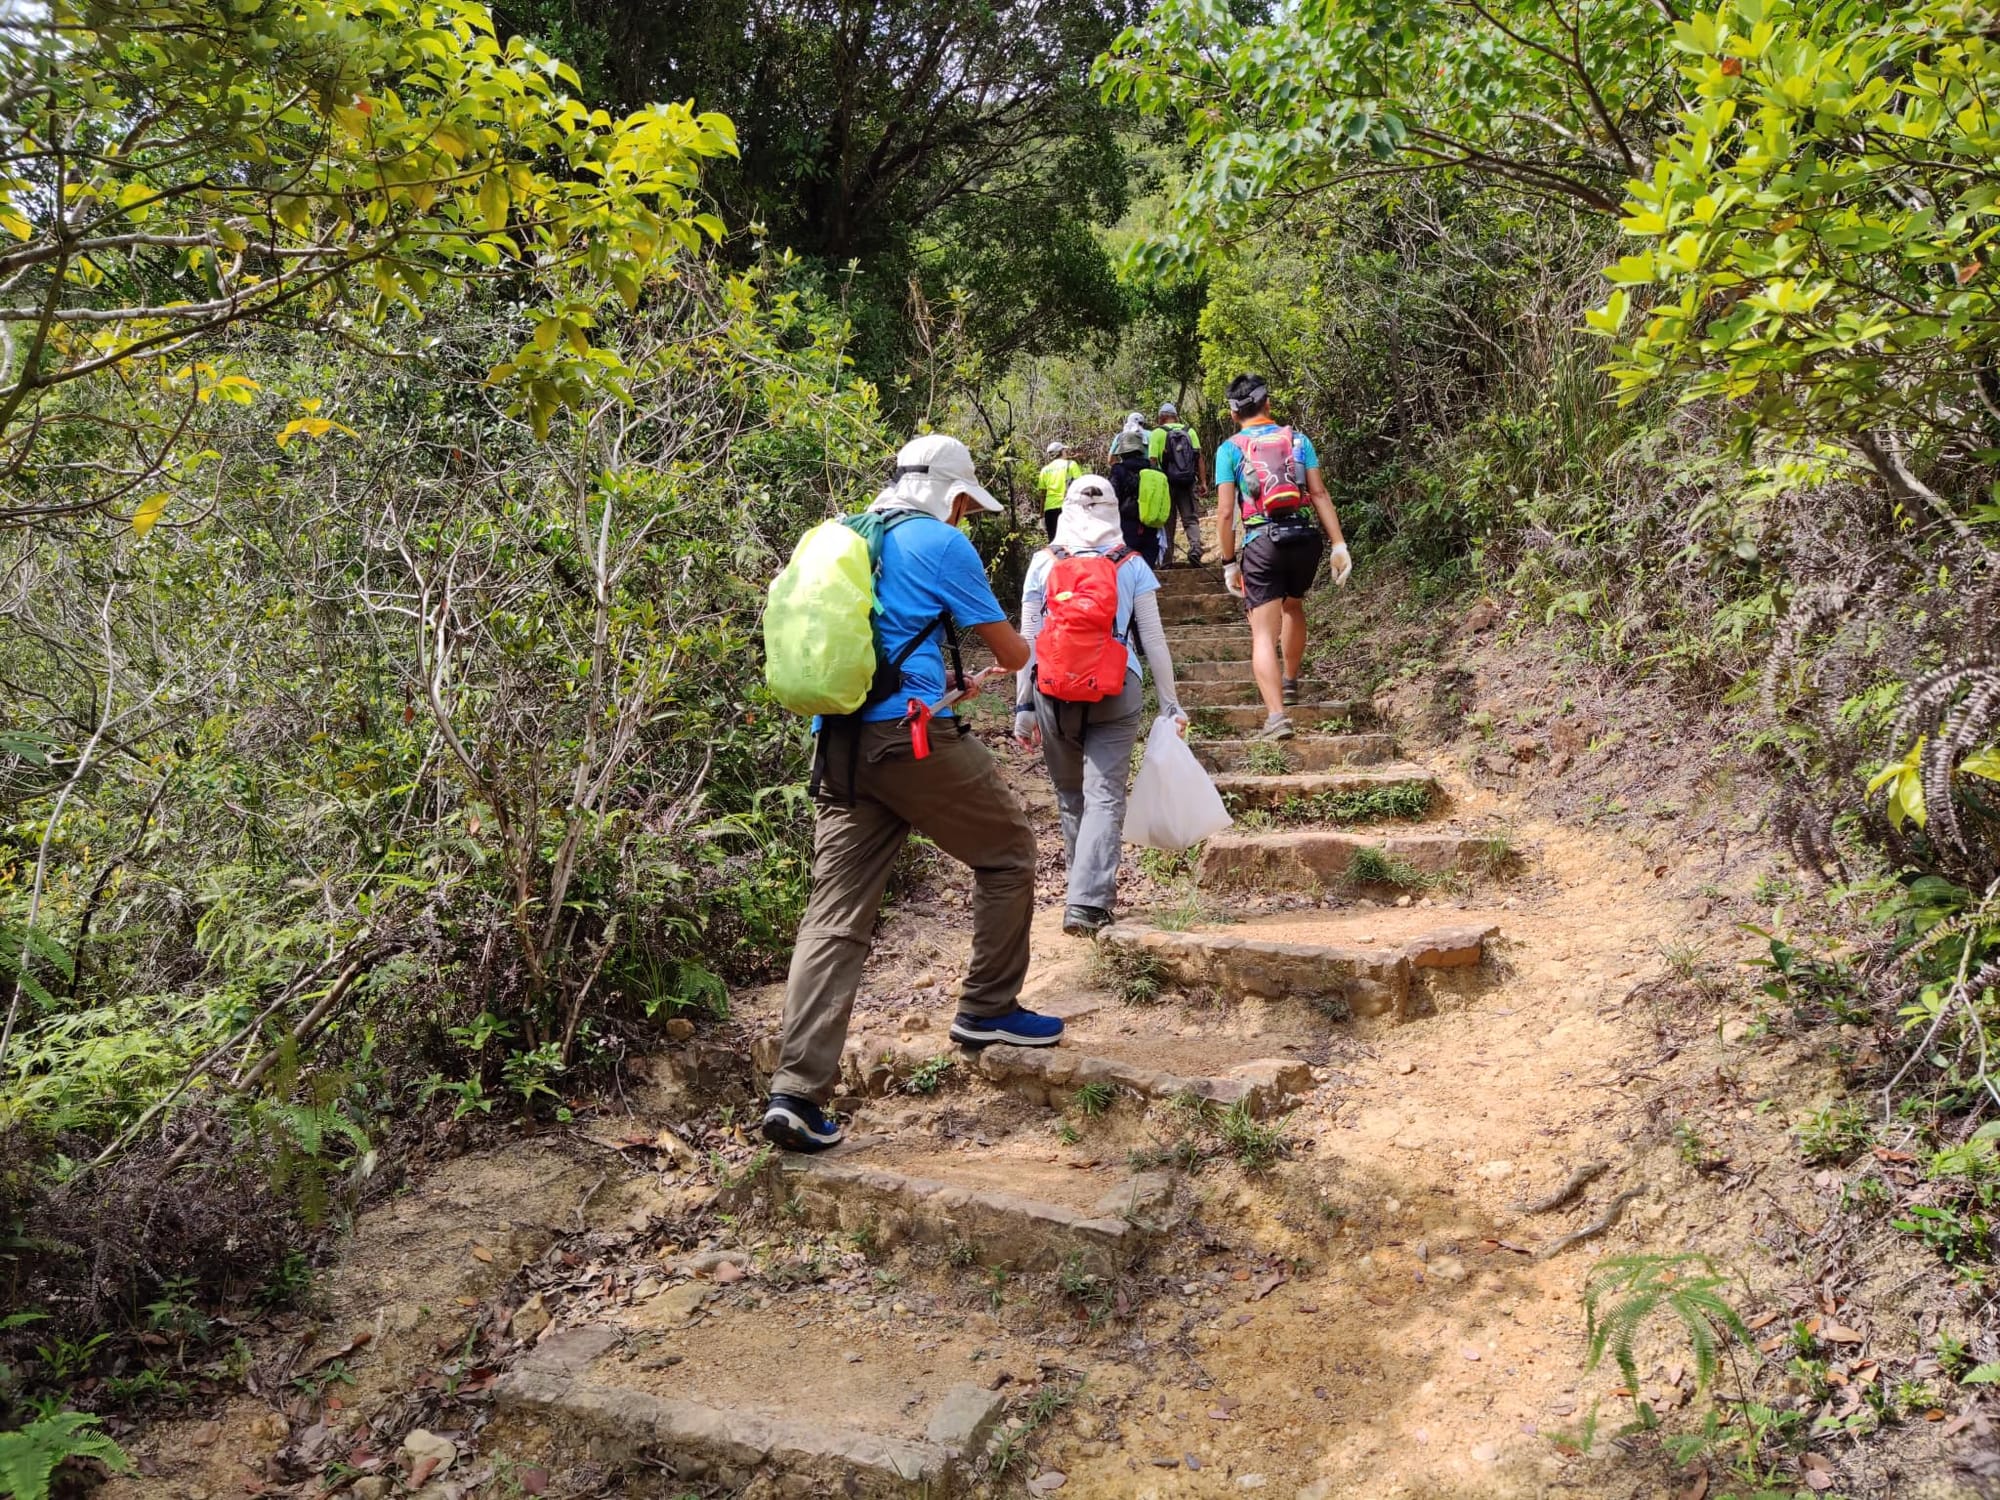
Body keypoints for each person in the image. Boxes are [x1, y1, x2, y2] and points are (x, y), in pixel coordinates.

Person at [762, 434, 1064, 1153]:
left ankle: (796, 1094)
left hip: (838, 747)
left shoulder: (842, 534)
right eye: (966, 504)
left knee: (835, 917)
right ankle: (987, 1008)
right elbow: (1015, 652)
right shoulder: (940, 543)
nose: (965, 516)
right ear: (953, 496)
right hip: (912, 742)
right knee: (1009, 852)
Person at [1014, 474, 1186, 935]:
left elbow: (1028, 639)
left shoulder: (1043, 563)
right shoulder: (1130, 563)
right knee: (1105, 795)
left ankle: (1081, 888)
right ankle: (1088, 902)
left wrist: (1022, 705)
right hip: (1117, 685)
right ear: (1113, 509)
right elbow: (1152, 639)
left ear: (1066, 508)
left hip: (1052, 686)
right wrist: (1170, 705)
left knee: (1071, 794)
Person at [1214, 374, 1352, 741]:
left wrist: (1229, 562)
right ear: (1268, 404)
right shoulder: (1299, 440)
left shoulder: (1230, 449)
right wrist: (1338, 544)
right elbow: (1319, 493)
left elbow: (1226, 513)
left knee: (1262, 631)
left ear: (1233, 414)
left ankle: (1277, 716)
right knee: (1293, 607)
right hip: (1305, 540)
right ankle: (1290, 680)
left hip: (1262, 542)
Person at [1148, 402, 1205, 566]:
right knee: (1191, 518)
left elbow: (1152, 460)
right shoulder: (1190, 431)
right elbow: (1199, 457)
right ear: (1175, 416)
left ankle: (1166, 560)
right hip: (1187, 482)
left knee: (1168, 521)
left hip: (1166, 483)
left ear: (1161, 417)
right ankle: (1195, 549)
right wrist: (1203, 482)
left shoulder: (1157, 433)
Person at [1108, 424, 1161, 562]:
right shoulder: (1152, 468)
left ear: (1122, 453)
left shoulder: (1118, 470)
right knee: (1147, 565)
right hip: (1150, 522)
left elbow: (1113, 497)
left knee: (1127, 563)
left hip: (1127, 524)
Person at [1037, 440, 1083, 542]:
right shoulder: (1071, 465)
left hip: (1049, 510)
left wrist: (1041, 516)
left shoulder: (1044, 470)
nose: (1066, 452)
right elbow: (1081, 486)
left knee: (1054, 542)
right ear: (1061, 452)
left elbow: (1042, 495)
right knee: (1071, 541)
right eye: (1064, 450)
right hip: (1067, 508)